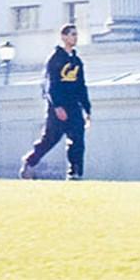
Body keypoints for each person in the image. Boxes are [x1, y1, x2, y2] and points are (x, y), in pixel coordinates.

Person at [19, 23, 91, 180]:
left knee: (77, 139)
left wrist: (87, 109)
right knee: (50, 140)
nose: (75, 37)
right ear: (64, 37)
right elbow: (49, 85)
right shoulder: (55, 58)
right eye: (72, 34)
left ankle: (75, 172)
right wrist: (57, 106)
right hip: (57, 107)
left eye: (76, 34)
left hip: (74, 107)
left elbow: (81, 86)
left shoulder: (77, 61)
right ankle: (30, 161)